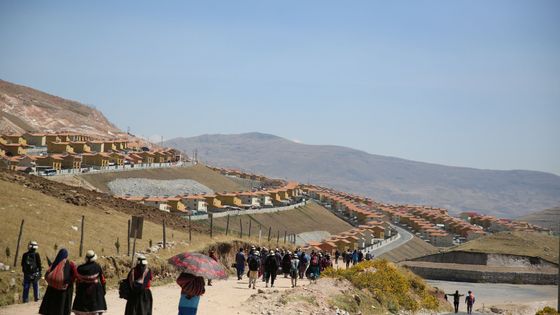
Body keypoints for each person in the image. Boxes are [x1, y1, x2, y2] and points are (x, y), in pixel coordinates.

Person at [39, 248, 76, 315]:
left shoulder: (55, 263)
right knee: (61, 306)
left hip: (52, 288)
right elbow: (75, 274)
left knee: (52, 305)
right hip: (64, 290)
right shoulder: (70, 264)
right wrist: (69, 282)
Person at [72, 250, 107, 315]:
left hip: (82, 291)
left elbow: (77, 281)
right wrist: (103, 290)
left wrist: (77, 291)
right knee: (96, 309)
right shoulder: (97, 267)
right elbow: (103, 280)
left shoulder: (80, 268)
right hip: (95, 291)